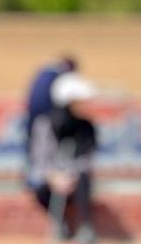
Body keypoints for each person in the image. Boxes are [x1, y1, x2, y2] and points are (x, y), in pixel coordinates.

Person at [27, 72, 101, 244]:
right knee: (39, 188)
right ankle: (60, 224)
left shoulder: (86, 127)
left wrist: (70, 176)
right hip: (52, 180)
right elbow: (40, 158)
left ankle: (85, 227)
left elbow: (86, 158)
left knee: (84, 180)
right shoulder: (46, 124)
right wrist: (54, 177)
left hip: (75, 180)